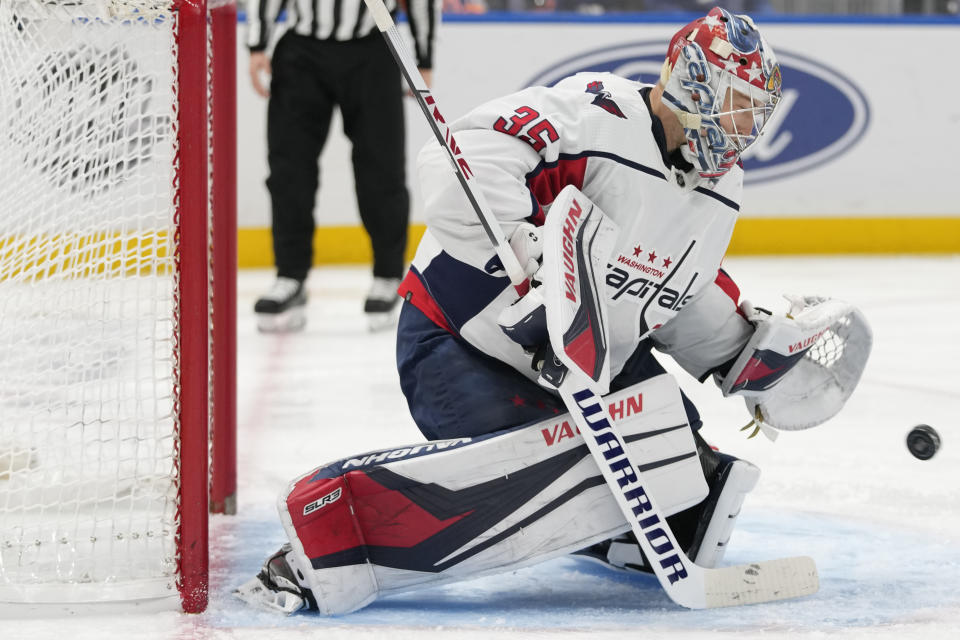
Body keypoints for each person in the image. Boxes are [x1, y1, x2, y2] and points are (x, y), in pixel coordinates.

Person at [235, 7, 867, 615]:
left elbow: (677, 290)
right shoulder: (595, 115)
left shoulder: (719, 190)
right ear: (692, 81)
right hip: (462, 343)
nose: (744, 128)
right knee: (535, 469)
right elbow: (464, 158)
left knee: (683, 464)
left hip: (584, 363)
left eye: (753, 113)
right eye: (735, 105)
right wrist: (529, 263)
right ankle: (327, 548)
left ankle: (617, 537)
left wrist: (746, 353)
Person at [246, 0, 440, 332]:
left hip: (373, 47)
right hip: (301, 51)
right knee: (288, 170)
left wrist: (424, 57)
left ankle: (387, 274)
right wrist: (258, 42)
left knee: (382, 168)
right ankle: (290, 275)